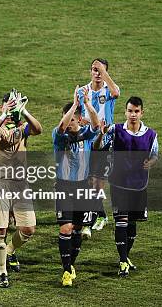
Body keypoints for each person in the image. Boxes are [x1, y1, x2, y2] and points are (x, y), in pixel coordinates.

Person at [0, 90, 42, 288]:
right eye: (8, 104)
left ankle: (9, 251)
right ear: (1, 107)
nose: (11, 108)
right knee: (1, 229)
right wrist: (3, 115)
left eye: (14, 105)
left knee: (28, 229)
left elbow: (38, 129)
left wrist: (24, 112)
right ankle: (2, 274)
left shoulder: (22, 128)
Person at [94, 96, 158, 277]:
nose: (133, 114)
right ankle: (122, 261)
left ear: (142, 113)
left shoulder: (151, 134)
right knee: (121, 221)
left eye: (136, 111)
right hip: (119, 183)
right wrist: (100, 133)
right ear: (125, 112)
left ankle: (126, 256)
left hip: (139, 184)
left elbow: (155, 154)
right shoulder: (115, 130)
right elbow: (98, 147)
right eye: (130, 111)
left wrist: (151, 163)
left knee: (132, 223)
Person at [53, 86, 101, 287]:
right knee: (65, 228)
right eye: (67, 118)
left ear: (79, 120)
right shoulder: (59, 136)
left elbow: (97, 126)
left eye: (73, 118)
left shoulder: (87, 135)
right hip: (64, 187)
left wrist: (88, 104)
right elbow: (61, 127)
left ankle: (71, 264)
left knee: (78, 229)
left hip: (83, 187)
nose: (69, 122)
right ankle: (65, 271)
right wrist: (74, 104)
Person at [80, 58, 120, 237]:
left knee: (98, 183)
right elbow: (80, 117)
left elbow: (117, 93)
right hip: (88, 140)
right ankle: (100, 214)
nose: (97, 73)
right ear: (90, 71)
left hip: (106, 141)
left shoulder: (108, 91)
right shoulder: (83, 91)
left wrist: (104, 72)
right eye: (94, 69)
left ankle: (96, 217)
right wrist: (90, 123)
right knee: (88, 181)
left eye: (100, 70)